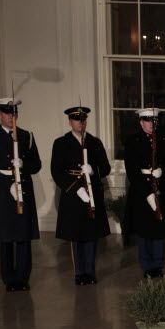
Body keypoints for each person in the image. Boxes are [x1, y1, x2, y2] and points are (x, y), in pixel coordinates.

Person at [50, 105, 111, 285]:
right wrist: (76, 188)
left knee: (91, 233)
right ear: (70, 122)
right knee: (76, 234)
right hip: (73, 195)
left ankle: (90, 271)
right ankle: (79, 273)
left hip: (92, 193)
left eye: (83, 120)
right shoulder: (61, 143)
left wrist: (93, 170)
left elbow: (105, 167)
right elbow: (57, 171)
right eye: (76, 119)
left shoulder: (94, 142)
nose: (80, 123)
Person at [122, 108, 165, 279]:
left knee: (159, 229)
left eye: (154, 121)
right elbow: (132, 171)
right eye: (148, 121)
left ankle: (158, 264)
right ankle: (146, 265)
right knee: (144, 229)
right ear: (141, 122)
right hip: (141, 190)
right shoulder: (132, 141)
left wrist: (163, 171)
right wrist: (147, 193)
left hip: (160, 187)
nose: (151, 124)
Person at [0, 97, 41, 292]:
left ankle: (23, 277)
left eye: (14, 113)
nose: (11, 117)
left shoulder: (26, 136)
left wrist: (24, 165)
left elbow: (36, 165)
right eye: (7, 113)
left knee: (23, 235)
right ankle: (9, 278)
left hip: (23, 188)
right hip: (2, 190)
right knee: (6, 236)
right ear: (1, 114)